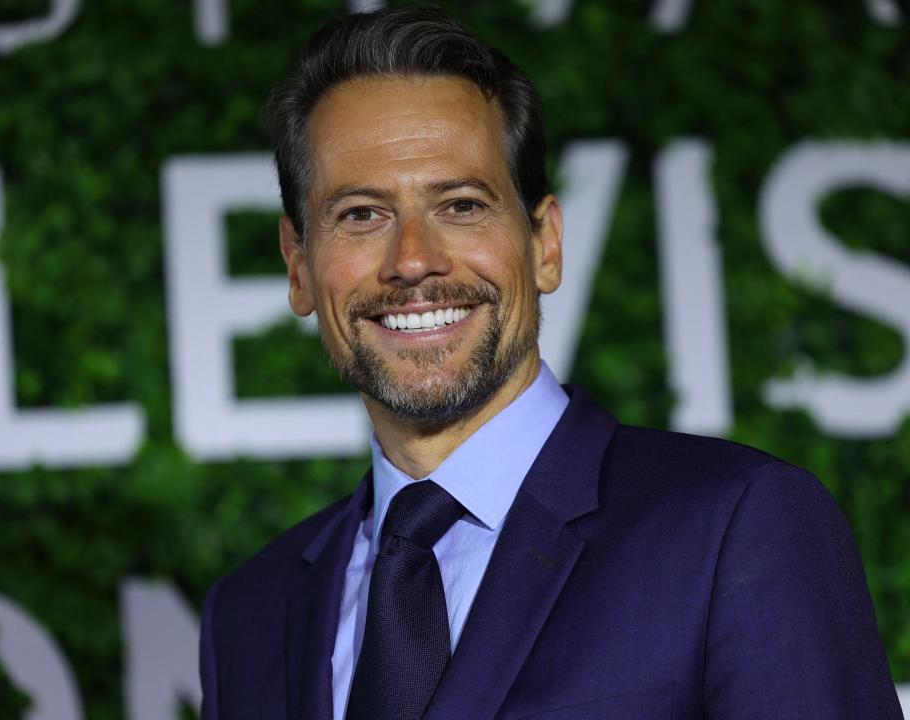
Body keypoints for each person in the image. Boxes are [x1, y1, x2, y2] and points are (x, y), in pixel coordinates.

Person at [198, 6, 902, 719]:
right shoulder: (250, 614)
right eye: (361, 215)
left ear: (545, 244)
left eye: (462, 205)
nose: (412, 260)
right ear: (298, 266)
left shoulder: (737, 527)